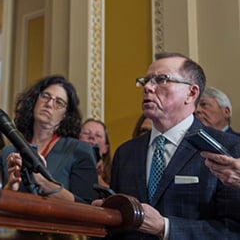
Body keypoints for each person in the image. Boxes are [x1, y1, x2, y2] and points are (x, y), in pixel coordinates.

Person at [99, 52, 240, 239]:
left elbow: (232, 230)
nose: (148, 87)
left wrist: (165, 228)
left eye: (162, 79)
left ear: (191, 93)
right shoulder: (126, 152)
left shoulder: (228, 148)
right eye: (146, 80)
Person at [0, 76, 98, 203]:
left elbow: (87, 205)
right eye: (45, 96)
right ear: (34, 101)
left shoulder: (79, 150)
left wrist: (42, 181)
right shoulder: (7, 153)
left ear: (65, 115)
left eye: (59, 102)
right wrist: (10, 187)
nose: (49, 104)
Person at [79, 119, 111, 187]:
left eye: (98, 135)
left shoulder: (114, 173)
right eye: (86, 133)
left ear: (106, 148)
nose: (92, 137)